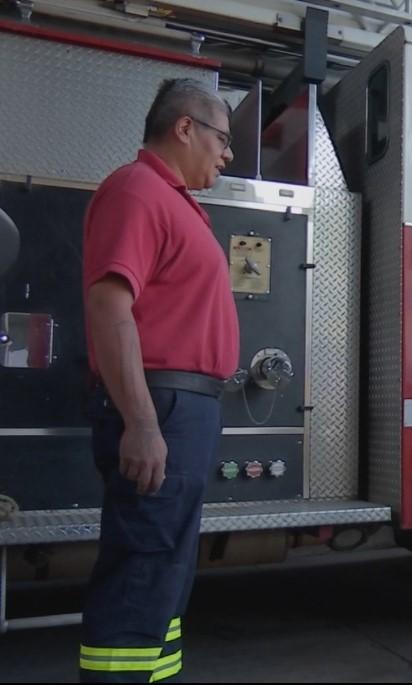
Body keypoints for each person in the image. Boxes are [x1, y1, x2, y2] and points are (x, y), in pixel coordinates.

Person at [79, 78, 238, 683]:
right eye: (221, 139)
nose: (226, 154)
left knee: (164, 571)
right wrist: (143, 423)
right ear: (184, 128)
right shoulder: (138, 189)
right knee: (143, 569)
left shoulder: (173, 201)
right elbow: (109, 307)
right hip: (161, 405)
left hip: (181, 407)